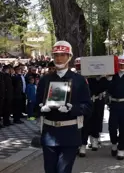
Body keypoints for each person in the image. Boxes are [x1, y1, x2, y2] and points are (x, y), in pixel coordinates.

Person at [36, 41, 92, 173]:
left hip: (69, 134)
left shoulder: (79, 80)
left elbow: (88, 107)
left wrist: (72, 109)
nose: (59, 58)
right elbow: (34, 105)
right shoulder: (45, 80)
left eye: (63, 55)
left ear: (69, 57)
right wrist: (41, 108)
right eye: (56, 55)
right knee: (49, 170)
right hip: (49, 133)